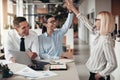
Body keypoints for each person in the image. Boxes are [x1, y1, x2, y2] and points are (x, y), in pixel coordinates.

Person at [66, 0, 117, 80]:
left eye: (97, 20)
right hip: (93, 73)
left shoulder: (106, 41)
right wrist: (73, 8)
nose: (95, 21)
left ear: (103, 22)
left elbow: (113, 64)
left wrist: (100, 74)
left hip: (99, 76)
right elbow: (85, 22)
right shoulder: (99, 33)